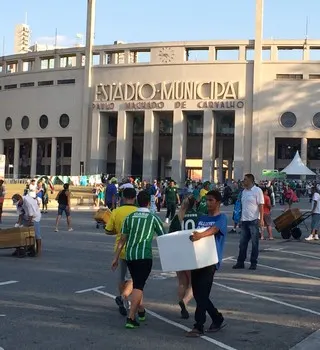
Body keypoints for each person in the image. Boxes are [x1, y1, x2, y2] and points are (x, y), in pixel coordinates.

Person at [111, 191, 165, 329]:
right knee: (139, 286)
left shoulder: (129, 218)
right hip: (144, 255)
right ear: (149, 202)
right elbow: (163, 236)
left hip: (130, 256)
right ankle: (131, 317)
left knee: (137, 284)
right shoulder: (152, 218)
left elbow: (122, 239)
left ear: (136, 201)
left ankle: (141, 311)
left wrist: (116, 258)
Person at [187, 190, 227, 337]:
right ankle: (217, 317)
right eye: (206, 200)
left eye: (211, 200)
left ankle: (198, 326)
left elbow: (214, 229)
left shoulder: (222, 218)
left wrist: (200, 235)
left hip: (210, 261)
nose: (208, 203)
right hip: (197, 259)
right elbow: (193, 234)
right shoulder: (201, 217)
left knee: (202, 293)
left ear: (218, 202)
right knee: (199, 294)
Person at [105, 188, 137, 316]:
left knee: (122, 277)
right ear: (135, 198)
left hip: (120, 248)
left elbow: (108, 230)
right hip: (135, 249)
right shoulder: (138, 212)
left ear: (123, 198)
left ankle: (124, 301)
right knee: (134, 278)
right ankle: (124, 297)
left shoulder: (116, 211)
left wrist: (117, 231)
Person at [169, 196, 198, 319]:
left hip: (179, 252)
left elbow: (170, 235)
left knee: (182, 282)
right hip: (194, 252)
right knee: (194, 283)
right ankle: (184, 302)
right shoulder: (199, 215)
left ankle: (182, 304)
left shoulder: (178, 217)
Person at [233, 174, 264, 271]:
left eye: (245, 180)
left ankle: (253, 262)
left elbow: (261, 205)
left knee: (254, 243)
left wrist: (261, 219)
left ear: (251, 180)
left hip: (254, 220)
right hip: (244, 220)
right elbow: (242, 206)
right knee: (242, 243)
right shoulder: (244, 192)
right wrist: (239, 219)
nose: (243, 181)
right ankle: (240, 262)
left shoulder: (257, 191)